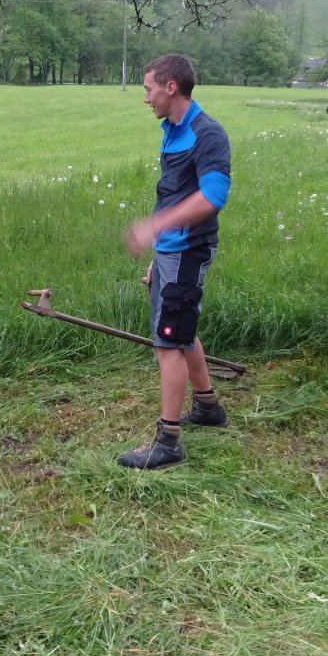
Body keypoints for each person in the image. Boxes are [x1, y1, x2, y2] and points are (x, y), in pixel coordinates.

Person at [120, 54, 231, 470]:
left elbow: (212, 197)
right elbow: (172, 195)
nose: (145, 98)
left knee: (168, 343)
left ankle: (168, 443)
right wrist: (159, 254)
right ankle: (207, 407)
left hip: (189, 251)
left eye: (148, 89)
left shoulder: (207, 133)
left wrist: (155, 227)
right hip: (172, 253)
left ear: (170, 87)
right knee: (180, 331)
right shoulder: (171, 130)